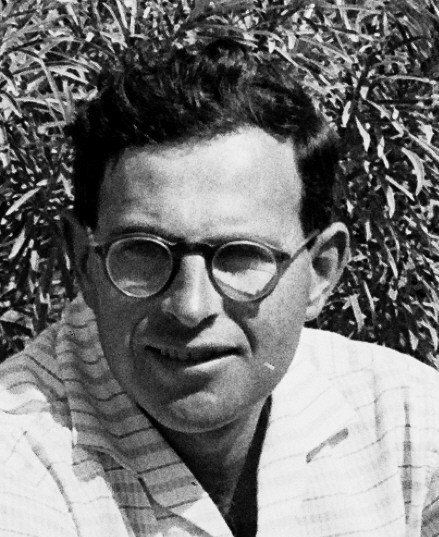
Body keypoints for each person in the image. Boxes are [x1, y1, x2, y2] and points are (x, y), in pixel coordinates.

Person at [0, 37, 438, 537]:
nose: (190, 307)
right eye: (143, 251)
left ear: (320, 271)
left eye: (241, 255)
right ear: (84, 264)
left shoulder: (407, 424)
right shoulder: (18, 461)